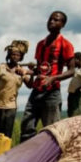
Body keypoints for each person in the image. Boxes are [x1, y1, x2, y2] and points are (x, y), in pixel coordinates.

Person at [20, 11, 75, 143]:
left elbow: (72, 71)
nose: (51, 22)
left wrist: (53, 78)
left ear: (63, 24)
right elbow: (40, 69)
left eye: (56, 20)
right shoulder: (40, 44)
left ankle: (53, 161)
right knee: (27, 127)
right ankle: (25, 159)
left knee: (52, 131)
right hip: (36, 91)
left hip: (52, 93)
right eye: (50, 19)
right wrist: (27, 72)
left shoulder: (65, 44)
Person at [0, 40, 32, 138]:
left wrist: (31, 72)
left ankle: (6, 152)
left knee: (7, 135)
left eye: (17, 55)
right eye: (13, 55)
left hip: (11, 107)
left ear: (21, 57)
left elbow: (30, 85)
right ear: (9, 56)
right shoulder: (1, 68)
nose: (15, 57)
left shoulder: (21, 71)